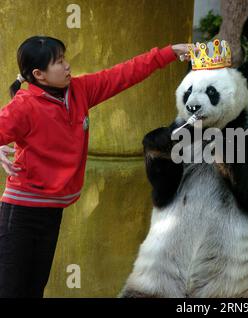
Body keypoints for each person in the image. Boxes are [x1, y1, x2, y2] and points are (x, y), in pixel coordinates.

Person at [0, 35, 191, 298]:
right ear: (39, 74)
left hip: (51, 210)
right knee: (10, 289)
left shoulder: (79, 91)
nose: (67, 66)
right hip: (21, 212)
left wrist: (169, 52)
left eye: (64, 58)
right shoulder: (24, 106)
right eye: (58, 62)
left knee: (33, 288)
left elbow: (124, 74)